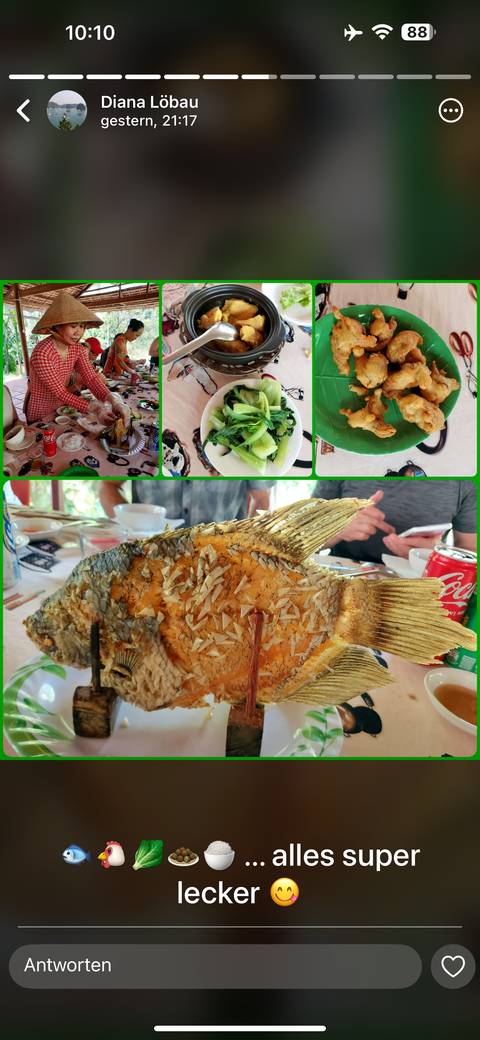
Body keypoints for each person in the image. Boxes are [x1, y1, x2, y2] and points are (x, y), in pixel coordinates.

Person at [24, 289, 128, 425]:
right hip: (41, 410)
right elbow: (61, 392)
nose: (78, 332)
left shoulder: (77, 348)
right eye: (73, 326)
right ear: (56, 326)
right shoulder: (42, 352)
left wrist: (113, 399)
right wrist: (96, 409)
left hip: (61, 407)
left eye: (82, 326)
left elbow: (91, 377)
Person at [313, 480, 476, 563]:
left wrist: (440, 557)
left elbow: (471, 550)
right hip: (341, 578)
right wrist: (335, 527)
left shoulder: (467, 481)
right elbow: (298, 536)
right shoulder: (338, 462)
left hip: (422, 587)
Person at [99, 479, 274, 525]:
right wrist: (130, 528)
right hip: (150, 557)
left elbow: (261, 500)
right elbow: (108, 486)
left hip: (222, 562)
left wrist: (251, 543)